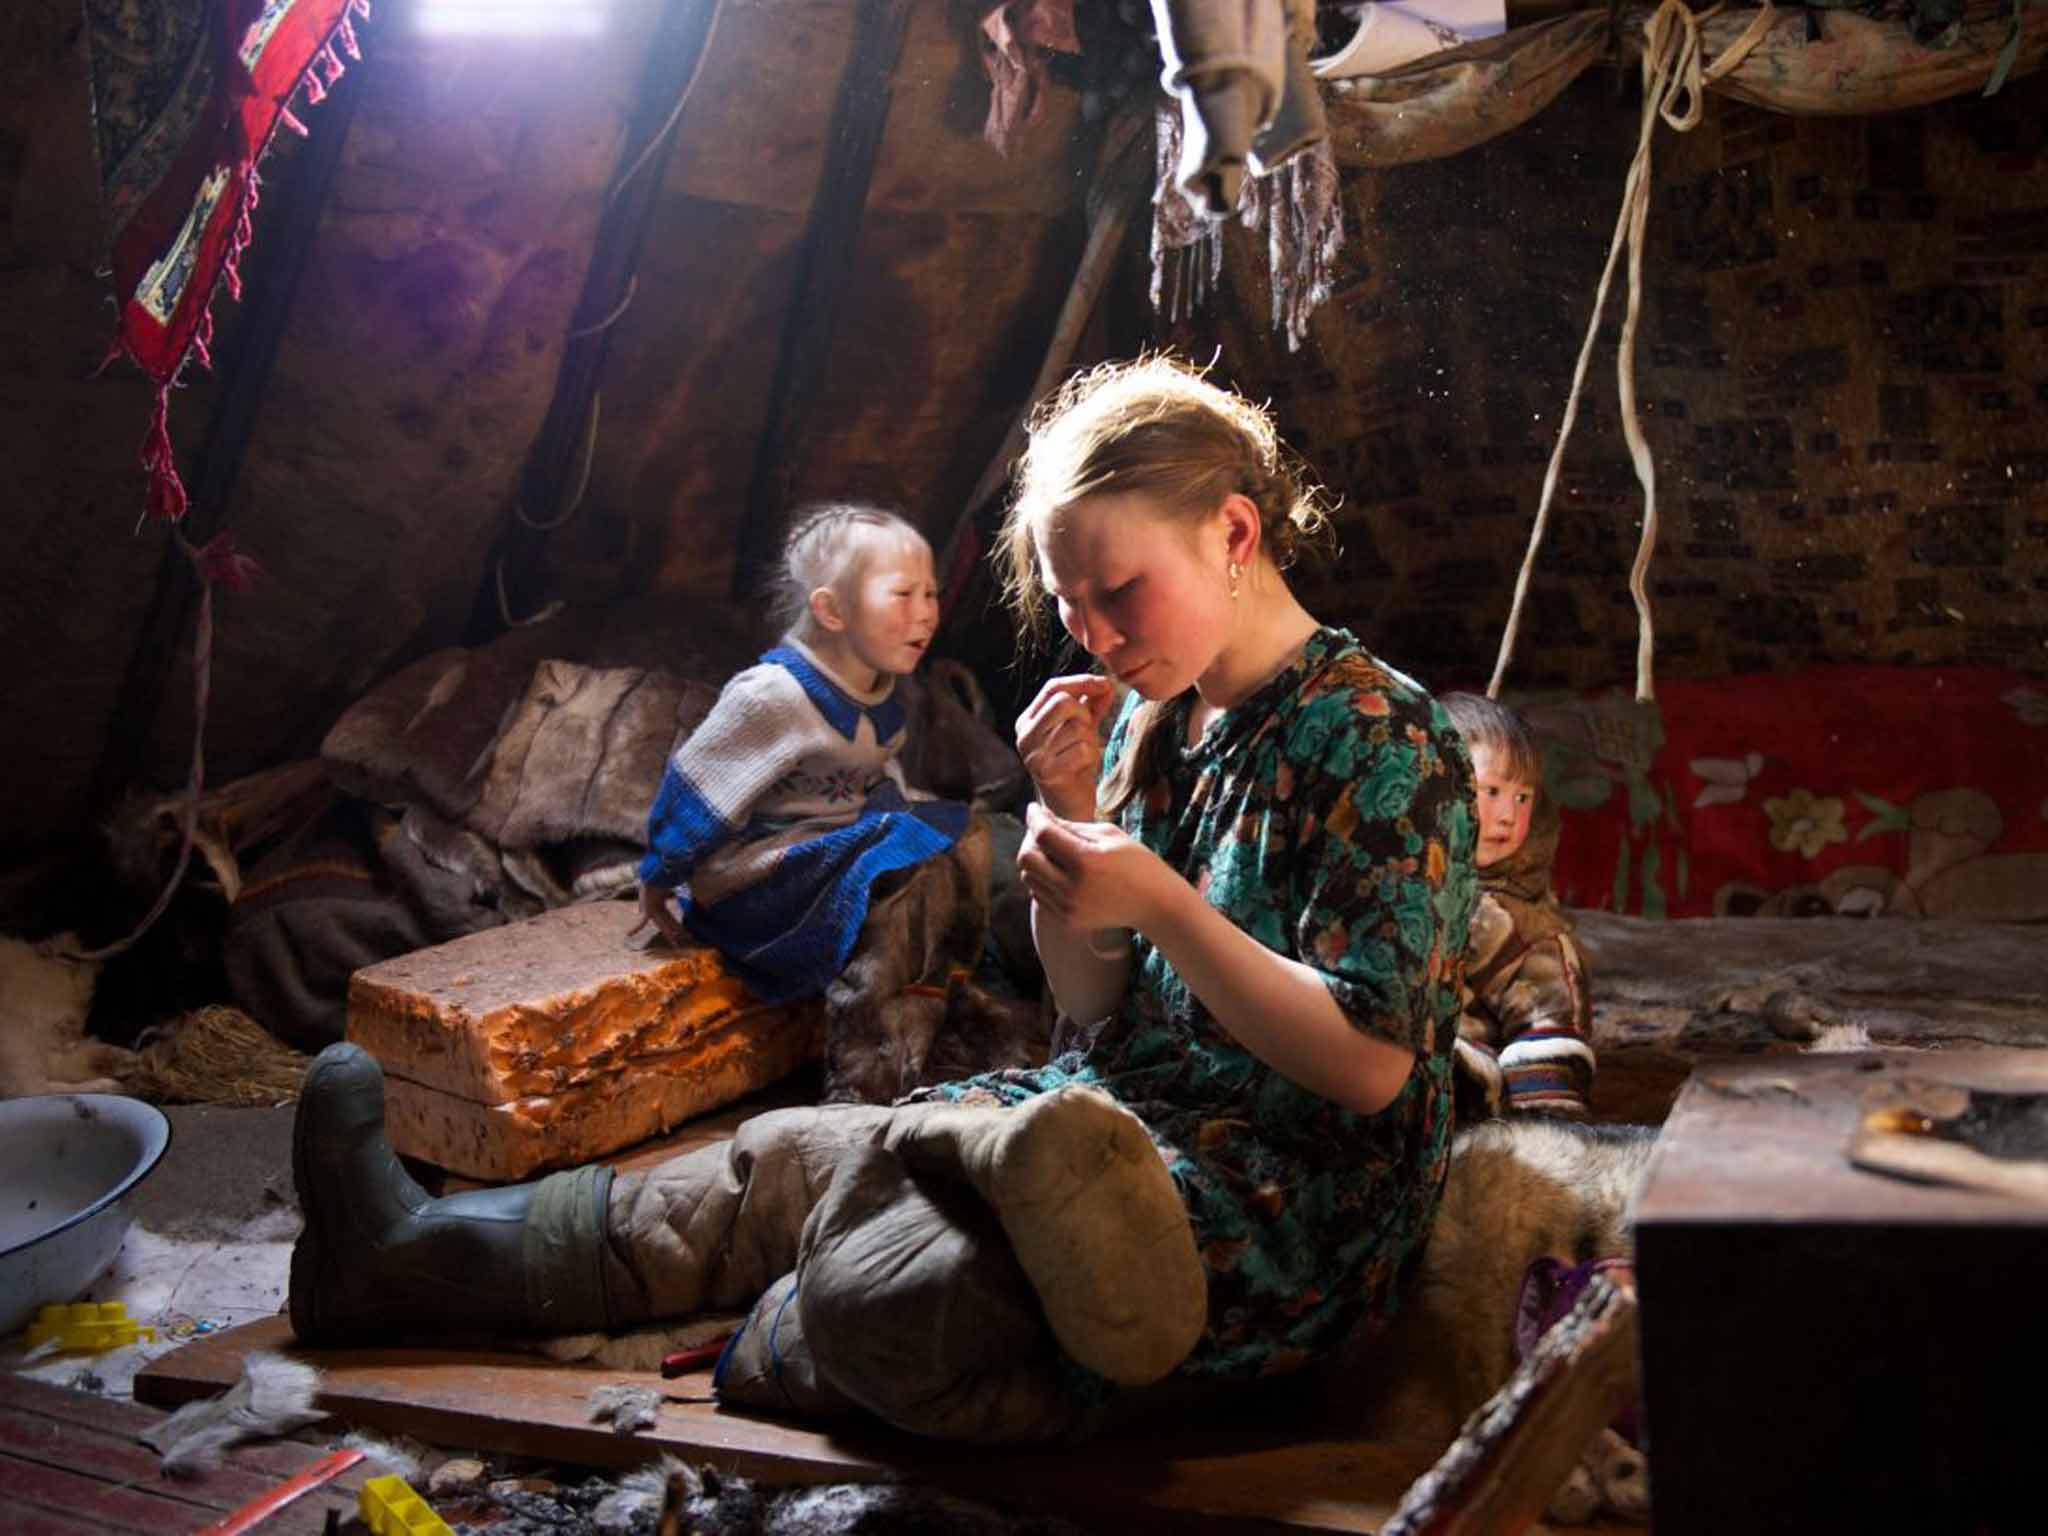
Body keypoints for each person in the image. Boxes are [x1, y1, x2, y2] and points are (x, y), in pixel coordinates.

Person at [287, 357, 1475, 1441]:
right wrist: (1075, 843)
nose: (1100, 638)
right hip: (1114, 1118)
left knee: (923, 1276)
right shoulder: (1156, 726)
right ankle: (401, 1257)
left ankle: (835, 1330)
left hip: (1284, 1191)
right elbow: (1097, 1009)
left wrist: (1159, 900)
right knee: (793, 1158)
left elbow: (1370, 1068)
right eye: (1071, 610)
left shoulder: (1381, 737)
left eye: (1122, 592)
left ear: (1232, 531)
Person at [632, 502, 985, 1101]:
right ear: (831, 609)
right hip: (759, 873)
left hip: (832, 840)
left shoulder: (884, 689)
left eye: (932, 594)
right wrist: (659, 874)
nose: (927, 614)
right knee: (898, 868)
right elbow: (700, 784)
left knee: (965, 836)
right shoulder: (774, 695)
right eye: (903, 595)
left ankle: (942, 1007)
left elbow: (873, 772)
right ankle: (864, 1075)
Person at [1439, 692, 1595, 1119]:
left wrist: (1541, 1137)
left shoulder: (1524, 931)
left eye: (1522, 797)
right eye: (1490, 790)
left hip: (1470, 1099)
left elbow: (1548, 1025)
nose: (1508, 814)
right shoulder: (1393, 883)